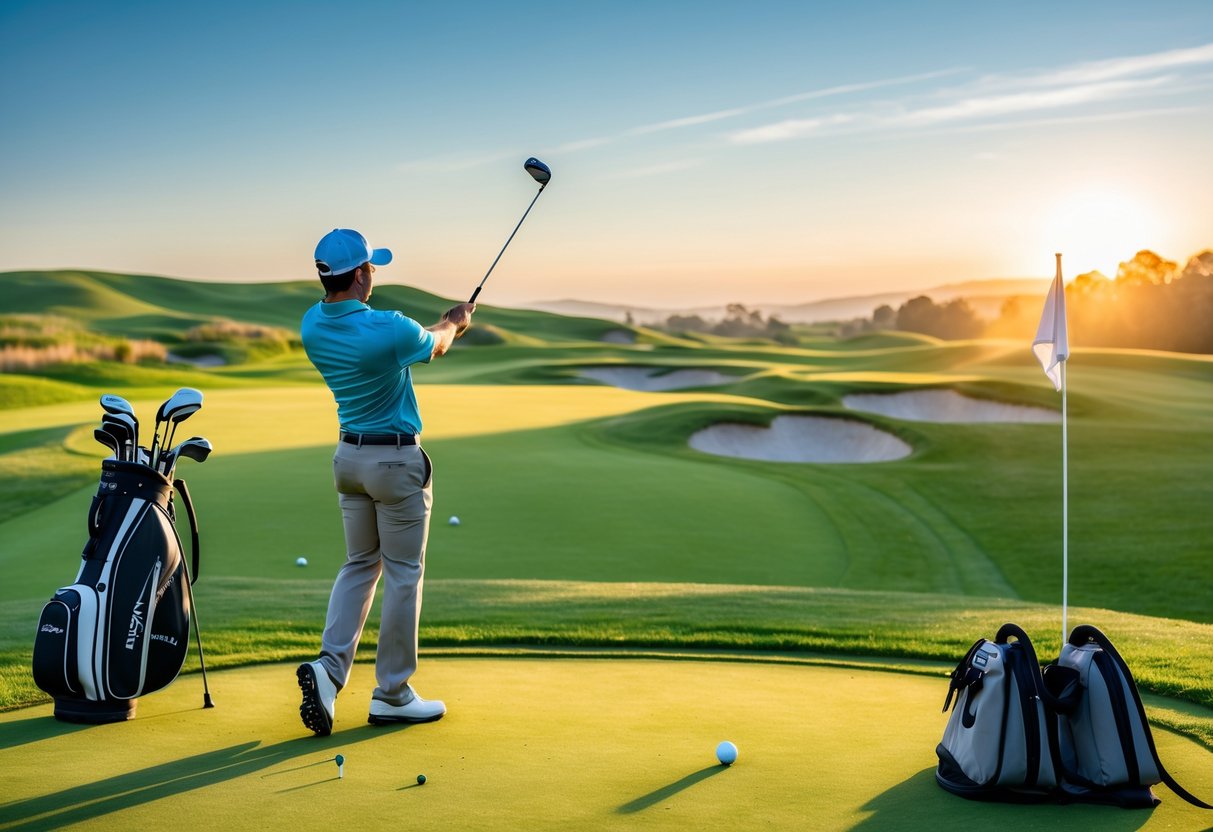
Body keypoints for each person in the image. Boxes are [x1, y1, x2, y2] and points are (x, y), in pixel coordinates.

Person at [295, 227, 474, 736]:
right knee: (402, 573)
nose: (375, 273)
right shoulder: (389, 328)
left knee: (359, 565)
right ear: (357, 275)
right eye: (372, 267)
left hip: (348, 460)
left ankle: (329, 672)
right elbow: (436, 344)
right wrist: (455, 321)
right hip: (395, 464)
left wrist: (443, 326)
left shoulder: (312, 324)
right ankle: (393, 694)